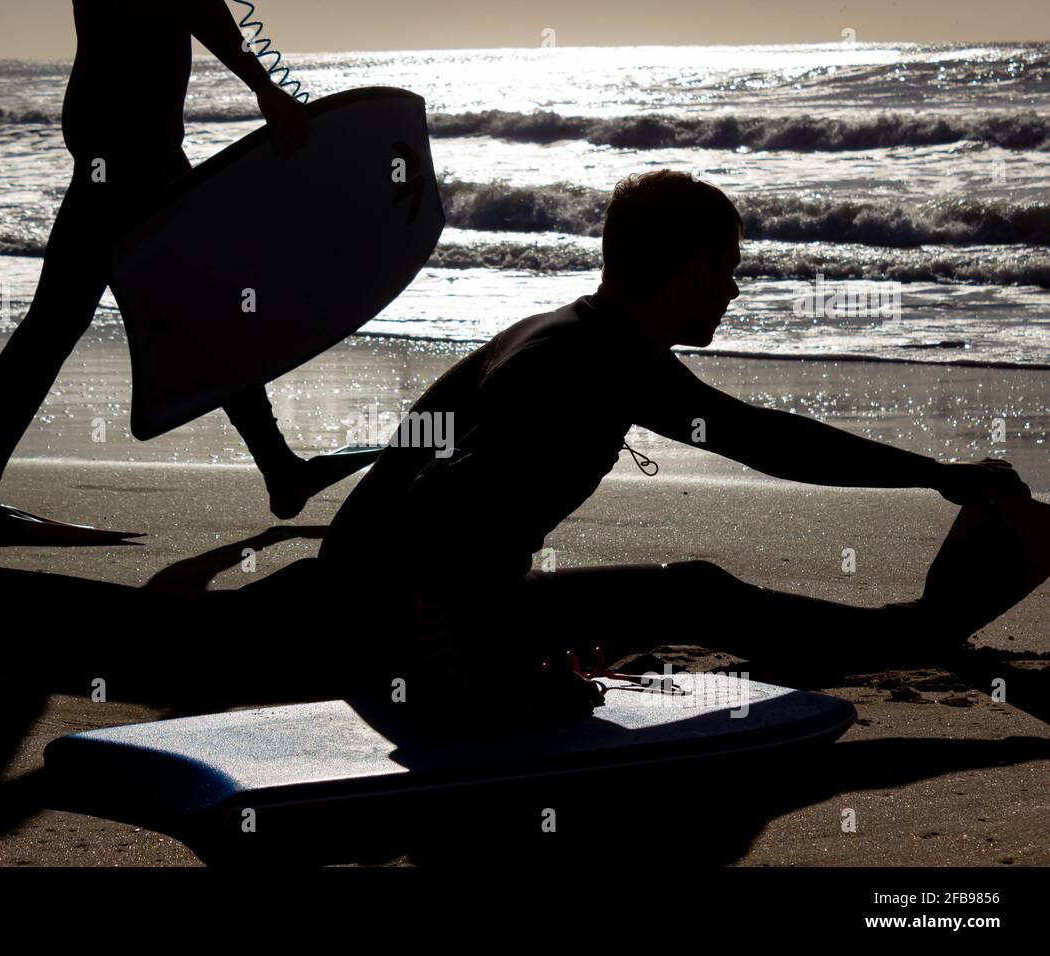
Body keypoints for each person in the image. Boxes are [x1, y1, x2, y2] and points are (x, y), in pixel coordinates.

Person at [317, 169, 1034, 722]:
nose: (732, 291)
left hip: (395, 602)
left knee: (689, 591)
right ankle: (911, 636)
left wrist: (934, 474)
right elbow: (436, 501)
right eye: (730, 271)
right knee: (691, 594)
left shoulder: (580, 337)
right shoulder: (587, 361)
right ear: (692, 272)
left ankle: (906, 631)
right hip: (396, 630)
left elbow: (759, 437)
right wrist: (476, 670)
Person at [0, 0, 373, 562]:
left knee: (69, 322)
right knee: (125, 315)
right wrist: (263, 85)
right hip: (132, 149)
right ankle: (280, 469)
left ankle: (279, 468)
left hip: (123, 146)